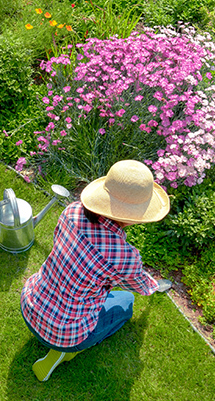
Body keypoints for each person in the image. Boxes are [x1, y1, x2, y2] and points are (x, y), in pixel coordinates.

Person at [20, 159, 173, 382]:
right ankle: (64, 352)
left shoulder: (71, 212)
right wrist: (153, 286)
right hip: (64, 332)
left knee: (100, 292)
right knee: (126, 303)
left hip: (30, 304)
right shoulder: (124, 256)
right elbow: (139, 286)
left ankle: (58, 339)